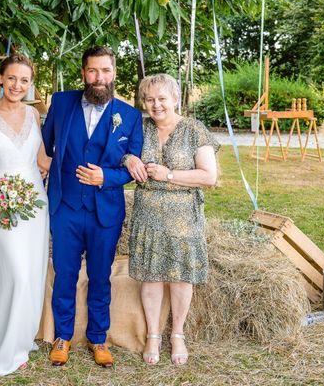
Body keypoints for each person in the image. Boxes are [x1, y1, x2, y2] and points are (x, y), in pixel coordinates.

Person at [42, 46, 145, 368]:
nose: (99, 78)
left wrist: (105, 177)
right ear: (83, 72)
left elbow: (134, 166)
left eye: (105, 71)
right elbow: (44, 148)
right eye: (92, 71)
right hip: (66, 208)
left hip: (106, 213)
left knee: (101, 276)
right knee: (65, 275)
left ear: (114, 73)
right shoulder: (61, 103)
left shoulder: (129, 116)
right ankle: (62, 337)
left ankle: (99, 338)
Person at [123, 73, 218, 366]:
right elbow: (118, 152)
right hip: (148, 213)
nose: (156, 105)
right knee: (151, 275)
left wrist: (170, 175)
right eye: (149, 99)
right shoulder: (140, 127)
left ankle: (177, 333)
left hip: (183, 217)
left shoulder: (194, 129)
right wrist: (128, 158)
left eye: (162, 98)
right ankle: (153, 334)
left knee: (180, 278)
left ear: (175, 99)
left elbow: (209, 177)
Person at [0, 54, 52, 376]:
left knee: (31, 274)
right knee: (15, 273)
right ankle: (4, 345)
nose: (18, 85)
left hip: (35, 204)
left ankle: (21, 338)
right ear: (0, 79)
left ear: (29, 83)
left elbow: (42, 158)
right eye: (12, 78)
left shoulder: (34, 114)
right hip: (2, 205)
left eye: (24, 80)